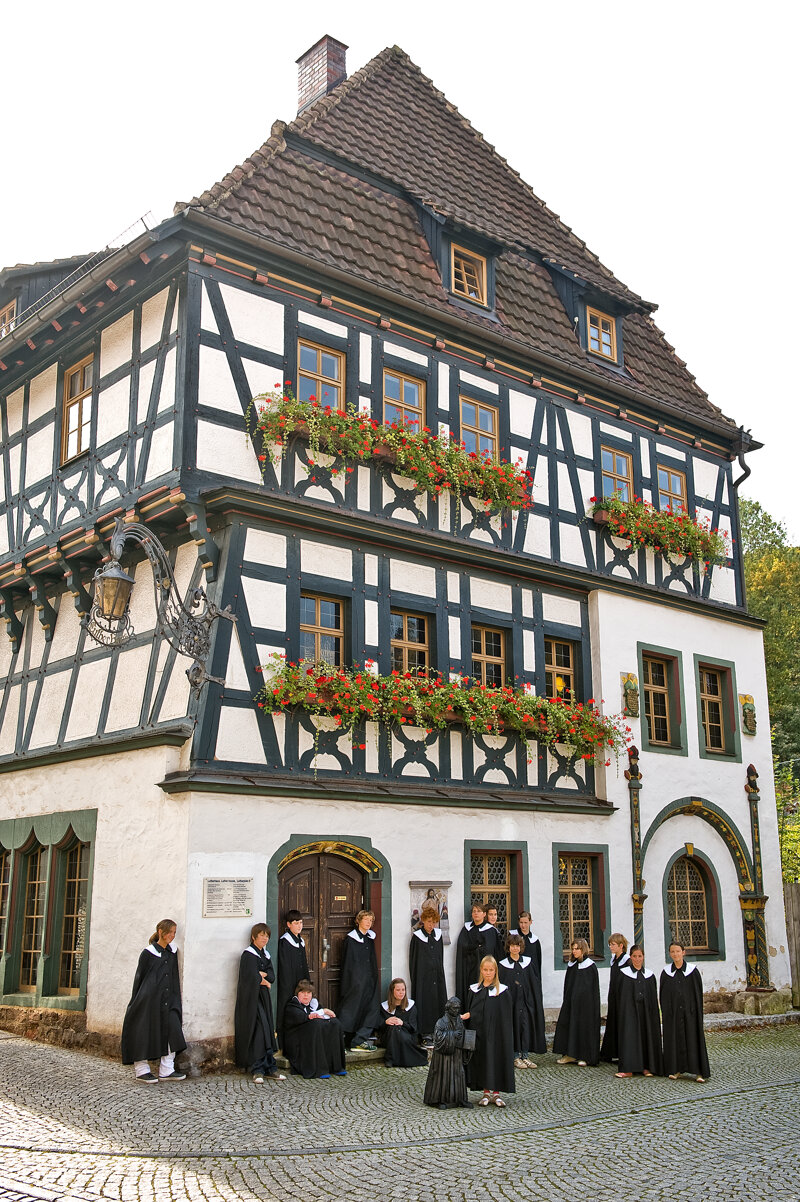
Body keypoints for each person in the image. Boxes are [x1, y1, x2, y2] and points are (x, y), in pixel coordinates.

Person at [121, 918, 187, 1083]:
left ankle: (167, 1069)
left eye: (174, 932)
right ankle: (141, 1069)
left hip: (168, 1000)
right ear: (160, 933)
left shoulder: (172, 952)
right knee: (143, 1032)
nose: (172, 935)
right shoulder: (148, 953)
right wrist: (139, 1001)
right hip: (148, 1000)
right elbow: (140, 979)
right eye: (170, 932)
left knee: (173, 1030)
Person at [234, 923, 285, 1084]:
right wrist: (261, 979)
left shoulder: (266, 955)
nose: (264, 938)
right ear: (253, 937)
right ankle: (257, 1068)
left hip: (263, 998)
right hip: (251, 1000)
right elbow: (249, 978)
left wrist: (262, 977)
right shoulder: (248, 955)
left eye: (267, 936)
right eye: (261, 935)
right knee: (259, 1033)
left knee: (267, 1030)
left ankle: (270, 1067)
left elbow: (271, 976)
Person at [463, 955, 515, 1107]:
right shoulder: (474, 990)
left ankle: (497, 1094)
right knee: (483, 1060)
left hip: (498, 1034)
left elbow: (505, 1016)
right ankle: (486, 1093)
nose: (488, 973)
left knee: (497, 1059)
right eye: (485, 970)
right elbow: (474, 1010)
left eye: (491, 970)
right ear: (481, 970)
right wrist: (467, 1016)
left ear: (495, 971)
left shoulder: (502, 991)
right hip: (481, 1033)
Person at [660, 940, 710, 1082]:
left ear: (683, 952)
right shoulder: (666, 973)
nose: (675, 954)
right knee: (675, 1040)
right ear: (670, 954)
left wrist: (695, 1011)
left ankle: (699, 1072)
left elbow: (697, 993)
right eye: (672, 952)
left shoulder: (693, 972)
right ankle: (676, 1069)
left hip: (690, 1013)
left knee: (693, 1039)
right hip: (674, 1014)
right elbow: (663, 995)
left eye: (678, 951)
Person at [615, 944, 663, 1078]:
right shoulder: (624, 974)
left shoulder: (649, 975)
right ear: (630, 957)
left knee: (646, 1035)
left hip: (646, 1012)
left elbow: (653, 997)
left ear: (643, 957)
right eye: (634, 956)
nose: (637, 959)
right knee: (630, 1037)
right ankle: (628, 1069)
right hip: (629, 1012)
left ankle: (646, 1067)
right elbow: (620, 995)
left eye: (640, 956)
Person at [281, 980, 347, 1079]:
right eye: (303, 993)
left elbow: (319, 1017)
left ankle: (336, 1067)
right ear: (297, 994)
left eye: (308, 993)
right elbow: (303, 1018)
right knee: (316, 1024)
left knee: (335, 1023)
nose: (306, 996)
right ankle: (319, 1070)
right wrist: (323, 1011)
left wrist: (323, 1015)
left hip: (312, 1037)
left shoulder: (314, 1005)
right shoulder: (292, 1006)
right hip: (298, 1042)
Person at [337, 909, 381, 1049]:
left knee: (371, 1009)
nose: (369, 923)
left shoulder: (369, 938)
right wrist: (354, 982)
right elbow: (348, 964)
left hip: (369, 981)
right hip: (355, 982)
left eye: (371, 920)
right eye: (366, 919)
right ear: (359, 921)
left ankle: (360, 1039)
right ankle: (341, 1040)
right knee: (350, 1009)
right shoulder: (351, 940)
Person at [553, 938, 600, 1068]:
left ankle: (584, 1056)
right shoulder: (572, 965)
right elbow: (568, 984)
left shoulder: (590, 966)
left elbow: (592, 989)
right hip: (571, 1003)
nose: (574, 951)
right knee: (569, 1026)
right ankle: (570, 1054)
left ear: (583, 949)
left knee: (583, 1028)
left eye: (577, 949)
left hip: (585, 1005)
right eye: (573, 949)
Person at [498, 934, 542, 1068]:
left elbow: (533, 983)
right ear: (508, 947)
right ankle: (515, 1056)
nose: (515, 948)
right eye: (512, 946)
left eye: (517, 946)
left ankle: (525, 1055)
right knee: (513, 1026)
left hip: (525, 1001)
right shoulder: (503, 965)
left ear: (521, 947)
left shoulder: (528, 963)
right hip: (511, 1003)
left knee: (525, 1026)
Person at [423, 996, 473, 1109]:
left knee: (459, 1074)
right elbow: (437, 1038)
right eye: (454, 1008)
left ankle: (460, 1098)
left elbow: (463, 1033)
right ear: (448, 1008)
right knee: (444, 1075)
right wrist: (452, 1035)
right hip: (443, 1056)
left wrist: (468, 1043)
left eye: (458, 1008)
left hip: (457, 1053)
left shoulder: (459, 1021)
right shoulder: (441, 1022)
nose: (456, 1010)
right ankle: (440, 1099)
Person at [409, 906, 447, 1045]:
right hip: (423, 977)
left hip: (437, 975)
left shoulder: (438, 935)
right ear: (423, 920)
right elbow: (413, 959)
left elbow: (440, 955)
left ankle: (438, 1031)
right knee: (425, 1003)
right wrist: (416, 978)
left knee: (438, 1002)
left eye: (434, 922)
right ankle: (425, 1034)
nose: (431, 924)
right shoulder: (417, 937)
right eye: (429, 921)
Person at [276, 910, 309, 1047]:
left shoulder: (300, 941)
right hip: (289, 984)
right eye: (296, 923)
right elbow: (284, 967)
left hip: (300, 983)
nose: (299, 926)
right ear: (289, 924)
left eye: (300, 923)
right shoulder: (285, 941)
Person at [379, 978, 428, 1067]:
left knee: (396, 1028)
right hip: (388, 1038)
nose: (401, 992)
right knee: (393, 1028)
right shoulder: (384, 1007)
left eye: (403, 990)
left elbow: (413, 1029)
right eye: (398, 990)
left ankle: (390, 1059)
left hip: (406, 1036)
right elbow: (378, 1028)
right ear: (392, 991)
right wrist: (385, 1022)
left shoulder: (411, 1006)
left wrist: (402, 1023)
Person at [455, 903, 496, 1003]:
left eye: (478, 911)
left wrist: (476, 949)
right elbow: (462, 947)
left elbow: (491, 950)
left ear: (484, 914)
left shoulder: (490, 930)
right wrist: (475, 948)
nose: (476, 913)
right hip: (469, 968)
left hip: (484, 970)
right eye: (474, 911)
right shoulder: (466, 929)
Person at [600, 932, 630, 1063]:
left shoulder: (627, 961)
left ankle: (623, 1052)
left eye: (613, 945)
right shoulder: (614, 960)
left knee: (622, 1023)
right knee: (613, 1022)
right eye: (610, 944)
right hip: (614, 995)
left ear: (621, 945)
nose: (610, 947)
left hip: (623, 996)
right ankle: (611, 1052)